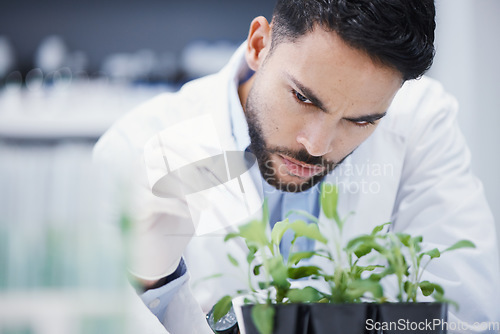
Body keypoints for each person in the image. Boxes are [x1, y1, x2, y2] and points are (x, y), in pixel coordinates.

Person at [93, 0, 500, 332]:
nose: (316, 146)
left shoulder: (422, 122)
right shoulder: (136, 147)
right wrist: (156, 281)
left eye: (360, 121)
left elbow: (472, 321)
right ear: (258, 45)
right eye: (304, 98)